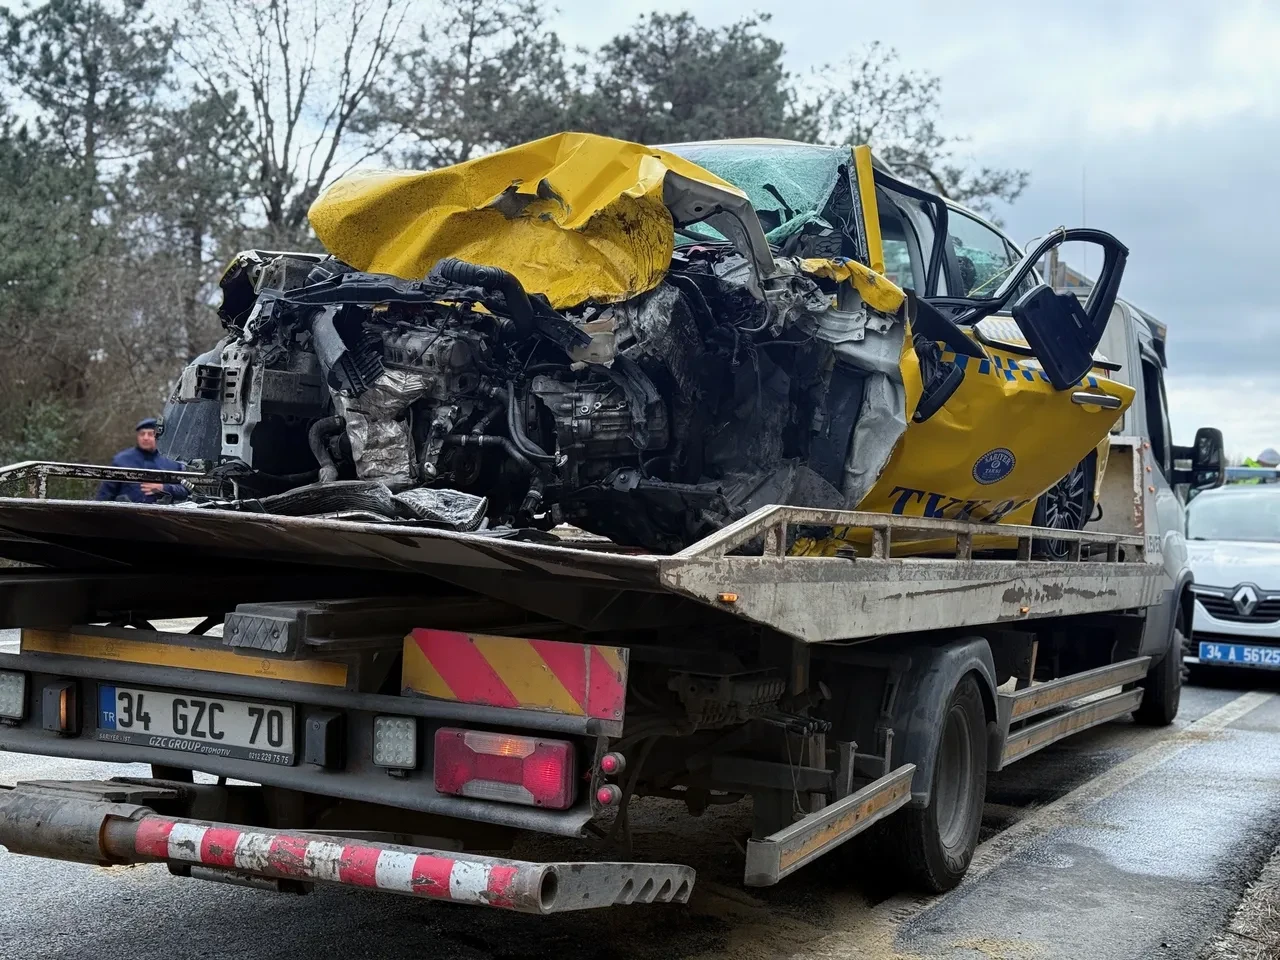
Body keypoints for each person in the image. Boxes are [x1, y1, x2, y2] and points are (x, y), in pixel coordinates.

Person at [94, 418, 189, 503]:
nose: (145, 438)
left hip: (163, 518)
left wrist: (164, 488)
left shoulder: (173, 462)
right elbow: (105, 493)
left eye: (150, 434)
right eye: (142, 434)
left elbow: (186, 491)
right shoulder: (122, 460)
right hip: (128, 516)